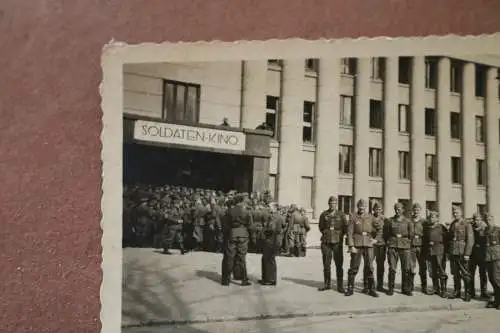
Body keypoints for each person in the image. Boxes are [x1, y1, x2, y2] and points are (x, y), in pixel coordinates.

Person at [345, 199, 380, 297]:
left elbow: (379, 229)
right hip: (357, 244)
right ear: (357, 207)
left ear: (366, 208)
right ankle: (350, 288)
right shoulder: (353, 217)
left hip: (368, 244)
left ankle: (371, 289)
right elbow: (350, 232)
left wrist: (376, 239)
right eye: (360, 207)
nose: (362, 209)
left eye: (363, 207)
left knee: (369, 267)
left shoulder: (370, 217)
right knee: (354, 267)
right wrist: (351, 246)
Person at [317, 196, 348, 293]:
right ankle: (327, 284)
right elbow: (321, 227)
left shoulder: (341, 215)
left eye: (334, 203)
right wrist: (328, 234)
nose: (332, 205)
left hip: (337, 243)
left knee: (339, 265)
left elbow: (345, 228)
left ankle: (340, 286)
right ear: (328, 204)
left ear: (336, 204)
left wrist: (339, 236)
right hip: (326, 242)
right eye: (330, 203)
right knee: (326, 264)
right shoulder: (324, 214)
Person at [221, 194, 253, 286]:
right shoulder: (247, 212)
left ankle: (226, 280)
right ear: (242, 201)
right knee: (242, 258)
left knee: (229, 257)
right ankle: (244, 279)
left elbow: (225, 225)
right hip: (243, 234)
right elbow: (250, 226)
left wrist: (228, 233)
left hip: (232, 233)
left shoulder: (229, 211)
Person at [384, 202, 413, 296]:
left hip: (405, 247)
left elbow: (411, 235)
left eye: (399, 209)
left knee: (406, 268)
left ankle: (405, 289)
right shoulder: (390, 220)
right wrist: (389, 243)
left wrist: (407, 244)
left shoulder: (408, 221)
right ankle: (391, 289)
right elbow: (386, 234)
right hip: (393, 246)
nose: (397, 211)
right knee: (392, 268)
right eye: (396, 209)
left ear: (403, 210)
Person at [447, 205, 474, 302]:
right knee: (455, 273)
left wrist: (467, 254)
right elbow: (450, 238)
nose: (455, 214)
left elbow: (470, 240)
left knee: (465, 273)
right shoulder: (453, 224)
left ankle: (467, 293)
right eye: (454, 213)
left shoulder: (467, 224)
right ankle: (457, 291)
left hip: (462, 252)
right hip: (453, 251)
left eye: (457, 212)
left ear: (461, 213)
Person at [422, 211, 448, 297]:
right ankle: (435, 288)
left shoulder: (441, 227)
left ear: (437, 218)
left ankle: (443, 290)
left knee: (441, 269)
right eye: (430, 217)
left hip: (439, 250)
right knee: (432, 270)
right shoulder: (428, 228)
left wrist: (446, 253)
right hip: (430, 251)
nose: (431, 219)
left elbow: (447, 240)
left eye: (433, 217)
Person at [259, 202, 285, 286]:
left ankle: (268, 280)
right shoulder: (280, 217)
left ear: (274, 208)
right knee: (271, 259)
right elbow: (284, 226)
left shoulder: (272, 216)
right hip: (276, 240)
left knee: (267, 259)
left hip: (270, 240)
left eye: (269, 207)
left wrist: (264, 230)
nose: (268, 208)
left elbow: (271, 228)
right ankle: (271, 279)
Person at [469, 212, 489, 299]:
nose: (477, 221)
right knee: (471, 273)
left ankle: (483, 292)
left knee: (483, 274)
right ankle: (471, 292)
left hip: (482, 254)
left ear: (481, 220)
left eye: (479, 220)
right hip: (472, 254)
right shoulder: (470, 228)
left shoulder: (485, 229)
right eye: (476, 220)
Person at [484, 212, 500, 309]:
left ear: (493, 220)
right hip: (488, 257)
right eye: (487, 219)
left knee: (497, 279)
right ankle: (497, 301)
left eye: (490, 219)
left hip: (496, 257)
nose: (488, 221)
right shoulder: (485, 230)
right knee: (491, 279)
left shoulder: (498, 230)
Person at [409, 203, 427, 293]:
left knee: (423, 267)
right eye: (415, 210)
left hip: (421, 246)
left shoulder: (424, 222)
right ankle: (410, 285)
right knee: (411, 266)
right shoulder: (409, 221)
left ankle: (424, 286)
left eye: (418, 210)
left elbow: (427, 234)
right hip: (411, 246)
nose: (416, 212)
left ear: (420, 211)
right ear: (413, 211)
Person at [371, 202, 387, 292]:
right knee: (369, 265)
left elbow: (386, 231)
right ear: (373, 210)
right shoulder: (369, 218)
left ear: (382, 210)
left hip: (381, 245)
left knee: (380, 266)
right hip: (372, 244)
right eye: (376, 209)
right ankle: (368, 285)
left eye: (380, 209)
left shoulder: (385, 219)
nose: (378, 211)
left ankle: (380, 286)